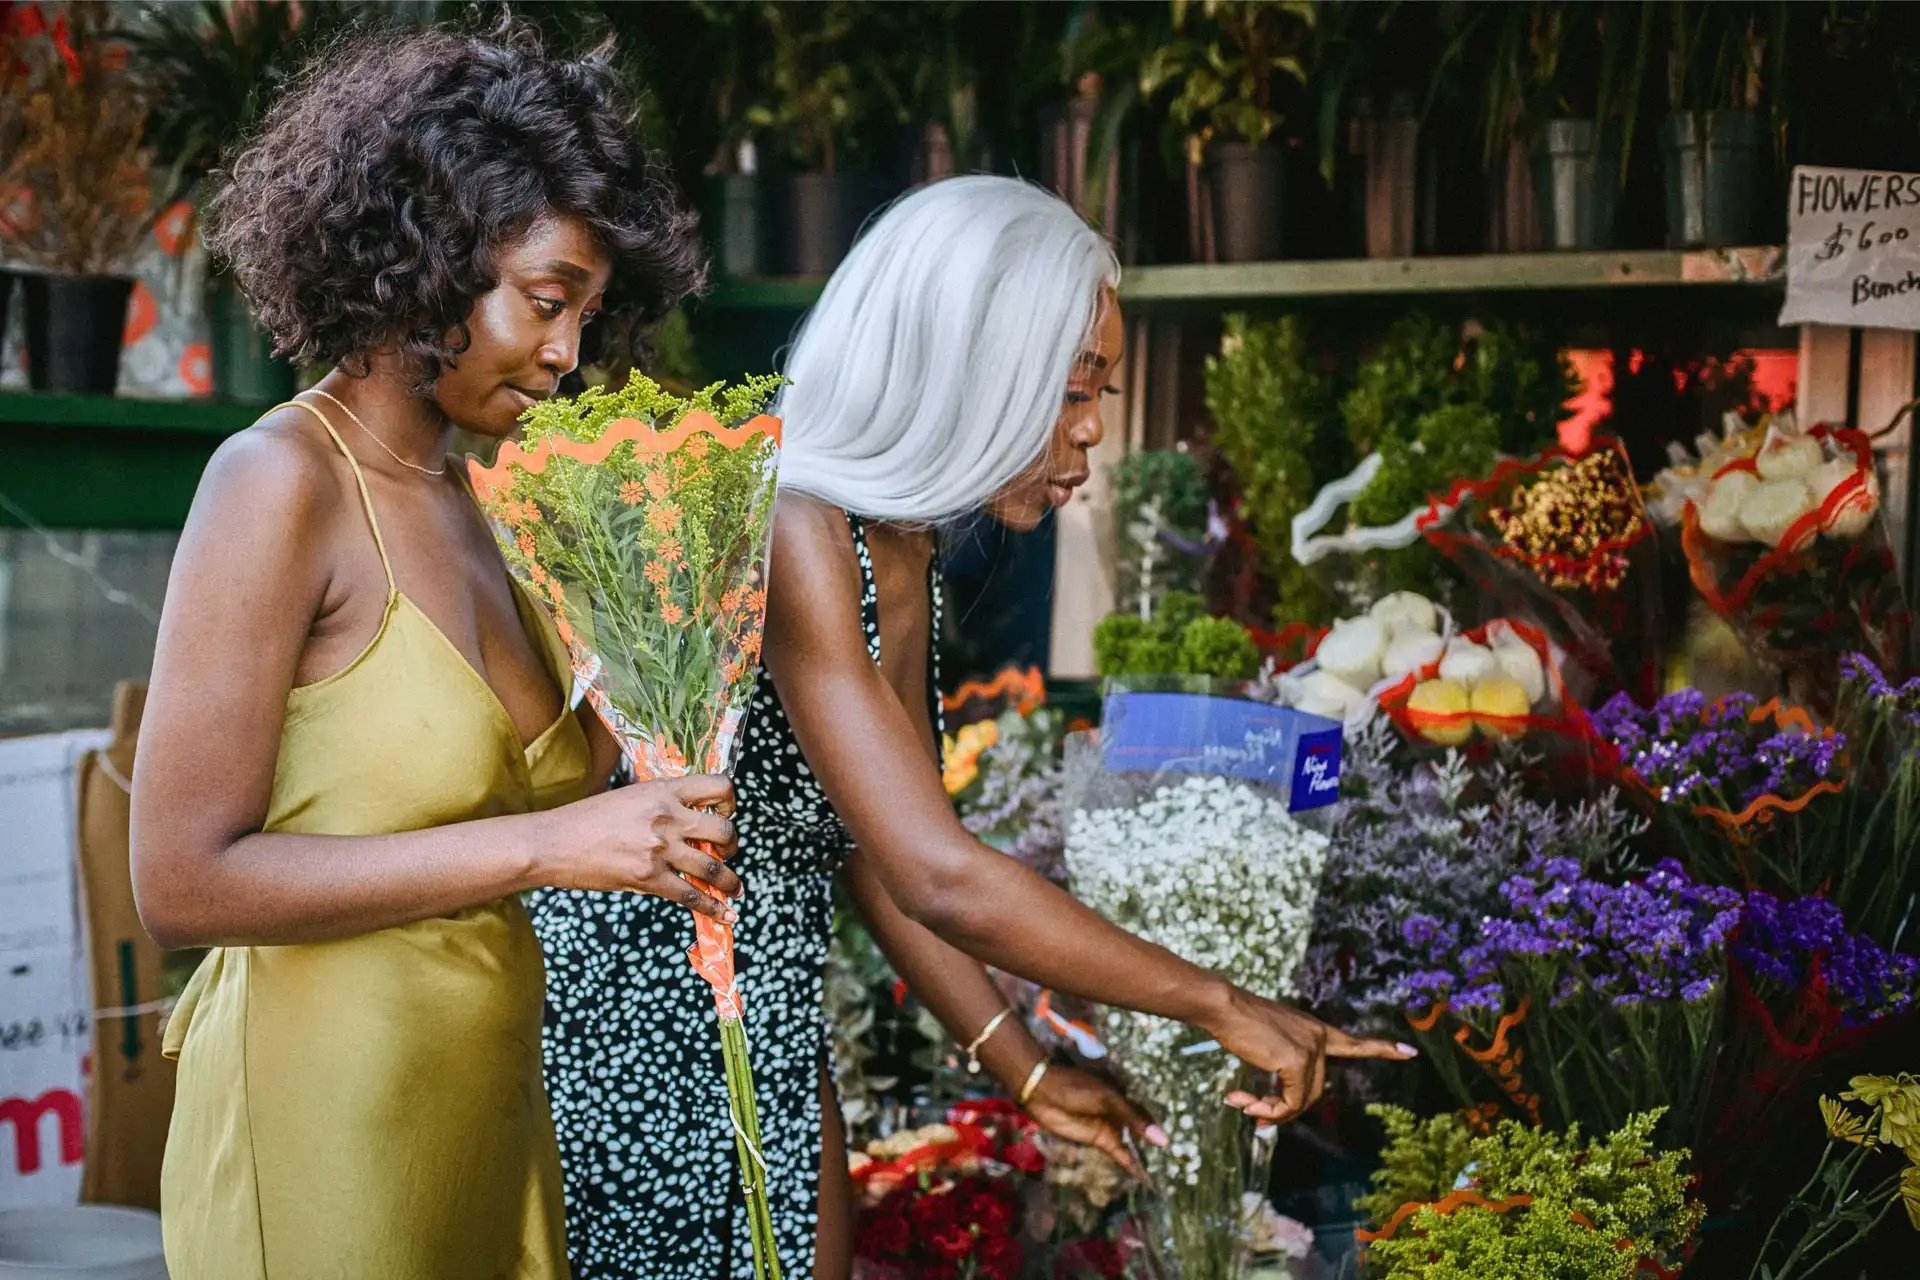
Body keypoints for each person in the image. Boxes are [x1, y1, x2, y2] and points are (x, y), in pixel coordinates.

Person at [535, 175, 1416, 1280]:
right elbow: (937, 873)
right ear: (969, 364)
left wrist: (1030, 1072)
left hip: (755, 1024)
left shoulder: (886, 543)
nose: (1094, 429)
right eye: (1075, 386)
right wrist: (1222, 1002)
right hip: (644, 1044)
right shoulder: (798, 527)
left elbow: (883, 855)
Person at [129, 23, 743, 1279]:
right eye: (546, 300)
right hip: (325, 1113)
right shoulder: (279, 483)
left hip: (486, 1106)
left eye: (587, 313)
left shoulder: (495, 505)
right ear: (430, 251)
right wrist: (544, 845)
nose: (569, 353)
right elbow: (179, 881)